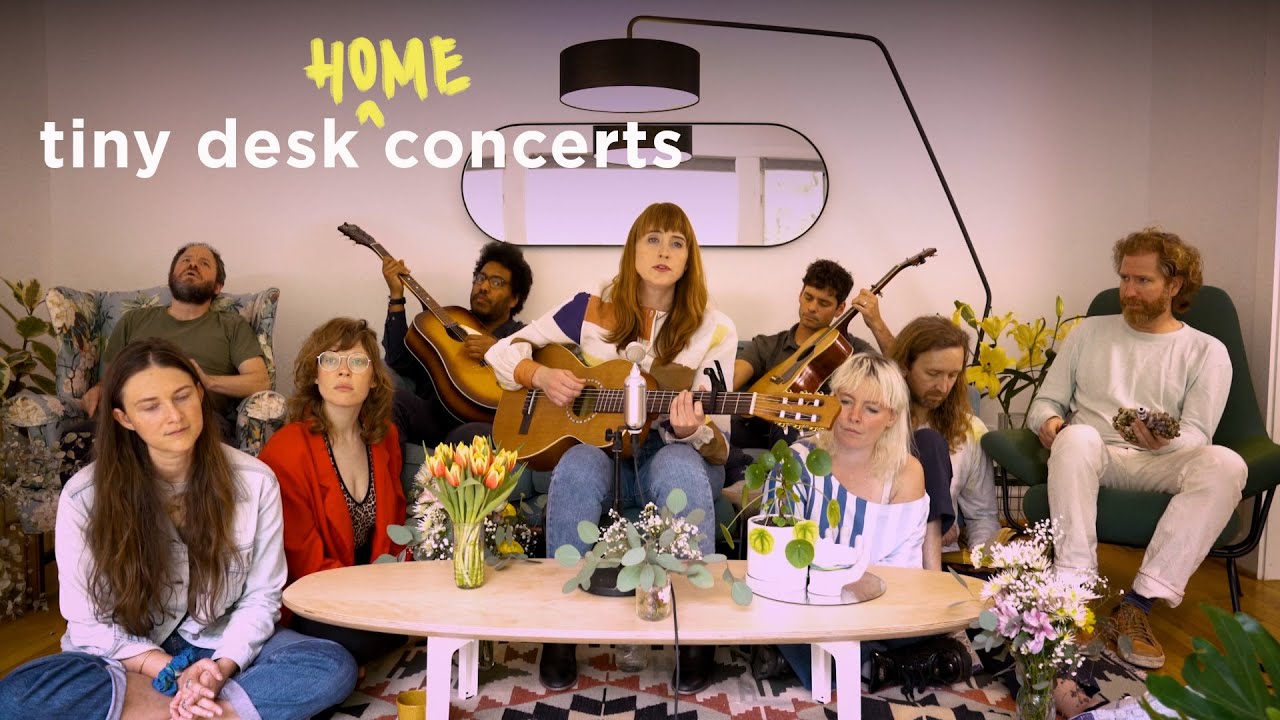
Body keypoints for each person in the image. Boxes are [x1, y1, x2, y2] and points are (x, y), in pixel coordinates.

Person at [0, 338, 356, 719]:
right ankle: (216, 712)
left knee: (330, 664)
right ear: (124, 418)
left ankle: (168, 711)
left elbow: (261, 597)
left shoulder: (255, 482)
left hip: (218, 644)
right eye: (150, 406)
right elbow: (88, 623)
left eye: (183, 396)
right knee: (16, 695)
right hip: (128, 659)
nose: (174, 415)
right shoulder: (84, 497)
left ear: (200, 395)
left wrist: (219, 669)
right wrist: (167, 668)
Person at [485, 202, 737, 695]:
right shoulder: (589, 307)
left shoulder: (716, 327)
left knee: (681, 469)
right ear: (632, 249)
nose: (664, 252)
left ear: (690, 259)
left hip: (667, 453)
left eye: (677, 242)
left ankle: (696, 634)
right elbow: (500, 351)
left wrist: (692, 431)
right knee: (576, 467)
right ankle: (561, 632)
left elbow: (721, 442)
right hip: (600, 449)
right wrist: (538, 374)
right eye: (652, 239)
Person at [1028, 228, 1246, 670]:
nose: (1127, 291)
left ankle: (1139, 603)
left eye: (1142, 281)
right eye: (1124, 278)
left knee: (1226, 463)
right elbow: (1045, 403)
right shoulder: (1087, 334)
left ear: (1175, 284)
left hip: (1163, 462)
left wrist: (1166, 439)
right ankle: (1074, 594)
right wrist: (1050, 423)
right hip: (1094, 454)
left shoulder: (1207, 352)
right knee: (1075, 436)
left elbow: (1199, 435)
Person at [770, 353, 969, 693]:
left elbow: (904, 568)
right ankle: (876, 667)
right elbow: (780, 561)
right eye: (845, 402)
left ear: (891, 417)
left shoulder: (906, 473)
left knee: (933, 631)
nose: (853, 417)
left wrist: (870, 593)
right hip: (813, 603)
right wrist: (844, 583)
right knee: (781, 617)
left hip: (881, 605)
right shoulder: (796, 463)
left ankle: (867, 663)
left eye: (871, 409)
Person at [258, 318, 408, 667]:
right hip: (313, 594)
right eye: (331, 360)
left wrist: (395, 586)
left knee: (407, 622)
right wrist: (369, 598)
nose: (344, 372)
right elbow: (301, 559)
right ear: (315, 375)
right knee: (368, 639)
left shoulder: (384, 436)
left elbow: (395, 524)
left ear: (372, 380)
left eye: (357, 362)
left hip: (370, 587)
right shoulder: (287, 449)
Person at [80, 243, 270, 437]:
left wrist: (209, 382)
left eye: (204, 263)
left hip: (197, 421)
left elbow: (260, 381)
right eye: (186, 260)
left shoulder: (232, 325)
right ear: (171, 277)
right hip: (131, 419)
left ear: (217, 287)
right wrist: (98, 389)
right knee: (77, 441)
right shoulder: (133, 320)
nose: (193, 265)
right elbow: (110, 378)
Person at [382, 241, 534, 446]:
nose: (484, 287)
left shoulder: (522, 336)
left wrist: (498, 351)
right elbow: (397, 361)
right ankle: (383, 477)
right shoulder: (450, 320)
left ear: (514, 299)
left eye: (496, 282)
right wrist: (396, 297)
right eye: (480, 278)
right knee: (390, 400)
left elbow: (536, 386)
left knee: (467, 436)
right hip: (433, 416)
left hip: (479, 421)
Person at [889, 316, 999, 553]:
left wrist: (983, 566)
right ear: (904, 366)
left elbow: (982, 516)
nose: (943, 386)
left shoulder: (968, 430)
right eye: (933, 373)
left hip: (942, 562)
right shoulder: (875, 421)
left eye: (952, 375)